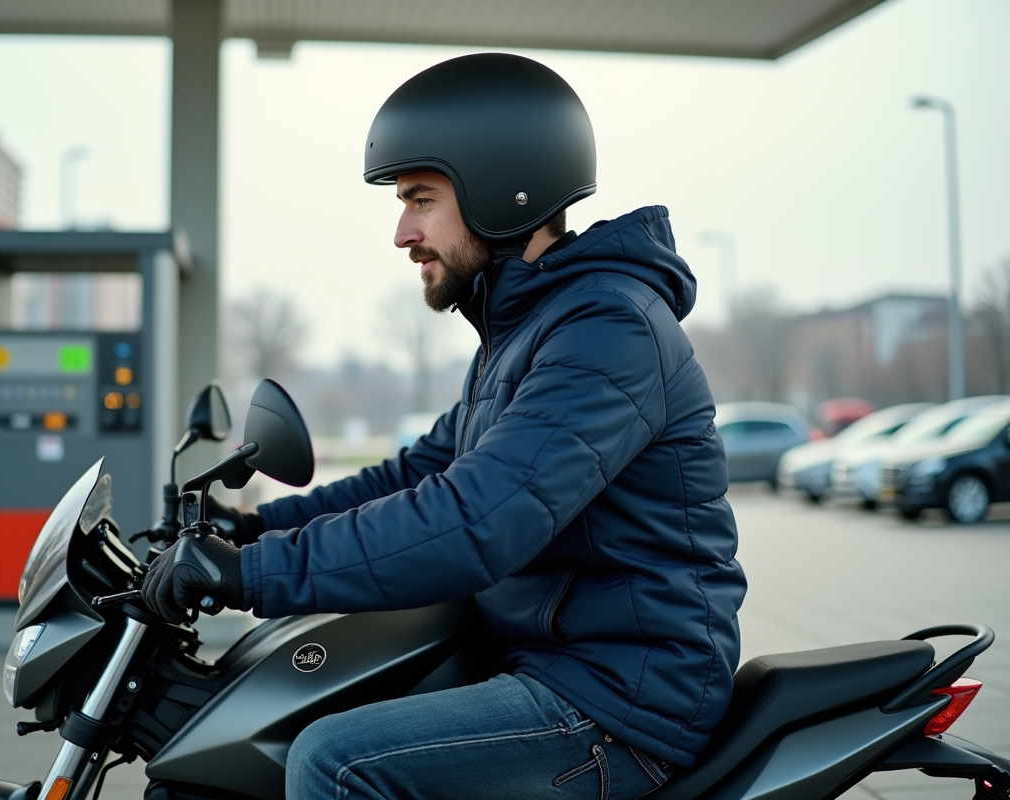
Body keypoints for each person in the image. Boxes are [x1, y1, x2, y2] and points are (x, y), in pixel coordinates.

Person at [144, 52, 747, 800]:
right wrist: (247, 531)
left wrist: (250, 577)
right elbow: (422, 473)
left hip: (619, 698)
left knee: (333, 758)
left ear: (503, 185)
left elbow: (479, 520)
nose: (403, 232)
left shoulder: (606, 329)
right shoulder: (527, 329)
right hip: (548, 659)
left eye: (420, 199)